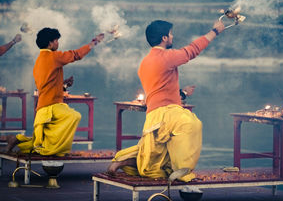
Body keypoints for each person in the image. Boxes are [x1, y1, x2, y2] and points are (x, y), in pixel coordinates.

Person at [107, 19, 225, 181]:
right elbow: (192, 50)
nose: (172, 36)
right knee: (191, 124)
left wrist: (182, 93)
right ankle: (182, 172)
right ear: (164, 38)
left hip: (154, 116)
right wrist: (215, 31)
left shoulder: (145, 62)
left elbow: (159, 90)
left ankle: (122, 160)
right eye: (170, 34)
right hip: (167, 114)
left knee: (155, 160)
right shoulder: (165, 56)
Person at [6, 28, 104, 156]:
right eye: (56, 41)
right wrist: (94, 42)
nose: (58, 44)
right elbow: (76, 54)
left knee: (41, 139)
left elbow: (47, 84)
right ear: (50, 43)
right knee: (74, 116)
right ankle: (51, 149)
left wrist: (63, 85)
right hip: (50, 106)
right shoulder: (53, 56)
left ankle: (17, 139)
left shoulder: (40, 60)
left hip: (44, 107)